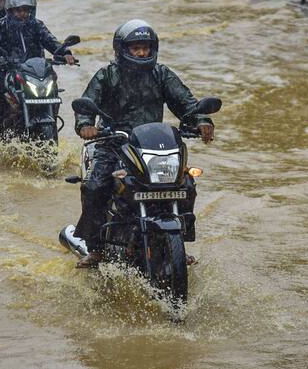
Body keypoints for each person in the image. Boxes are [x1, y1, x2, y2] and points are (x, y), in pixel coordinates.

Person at [72, 20, 215, 268]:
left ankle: (178, 241)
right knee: (96, 187)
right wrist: (86, 124)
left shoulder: (161, 74)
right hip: (114, 143)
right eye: (135, 48)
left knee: (186, 184)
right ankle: (96, 249)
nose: (141, 53)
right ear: (122, 49)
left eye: (145, 48)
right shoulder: (107, 75)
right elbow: (88, 101)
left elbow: (186, 103)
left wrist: (201, 120)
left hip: (151, 146)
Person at [0, 0, 76, 128]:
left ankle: (51, 117)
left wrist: (65, 53)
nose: (22, 13)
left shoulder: (37, 25)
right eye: (18, 10)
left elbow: (50, 41)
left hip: (36, 71)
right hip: (9, 70)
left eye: (25, 10)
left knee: (53, 88)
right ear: (10, 10)